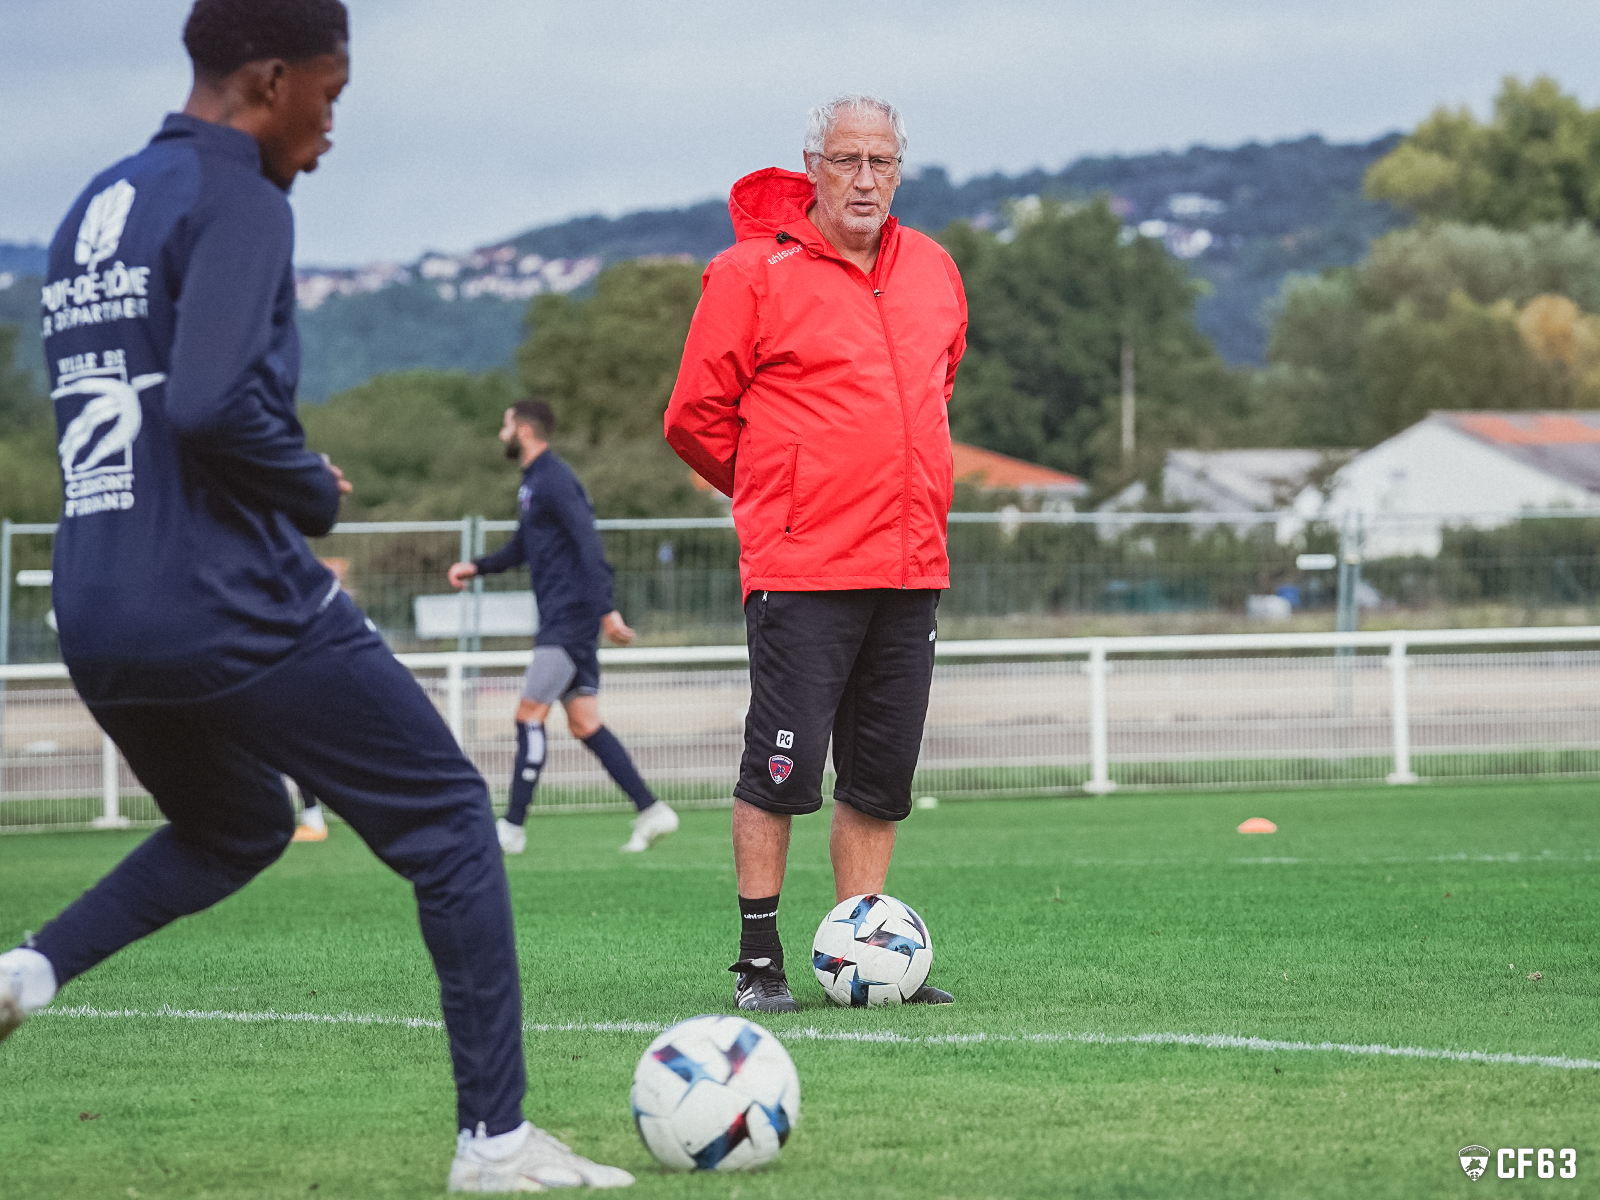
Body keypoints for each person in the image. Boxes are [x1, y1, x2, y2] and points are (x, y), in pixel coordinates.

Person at [0, 3, 631, 1191]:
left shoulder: (94, 205)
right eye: (329, 102)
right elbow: (204, 407)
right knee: (450, 821)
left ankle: (24, 975)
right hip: (222, 591)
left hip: (95, 601)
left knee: (236, 825)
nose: (330, 135)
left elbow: (143, 405)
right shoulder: (239, 197)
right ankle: (494, 1142)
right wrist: (310, 486)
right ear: (272, 79)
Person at [664, 94, 968, 1013]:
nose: (865, 179)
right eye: (846, 161)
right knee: (783, 773)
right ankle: (760, 967)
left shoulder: (936, 271)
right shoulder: (749, 272)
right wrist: (779, 495)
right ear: (813, 167)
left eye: (881, 162)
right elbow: (694, 418)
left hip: (911, 565)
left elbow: (936, 386)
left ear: (899, 171)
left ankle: (862, 954)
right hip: (804, 568)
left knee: (879, 779)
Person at [448, 400, 678, 855]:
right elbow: (522, 547)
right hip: (566, 618)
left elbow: (588, 544)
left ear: (525, 430)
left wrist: (605, 610)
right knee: (584, 723)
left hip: (569, 619)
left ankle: (511, 828)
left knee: (527, 715)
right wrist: (477, 567)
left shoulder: (554, 479)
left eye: (506, 424)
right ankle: (652, 811)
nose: (501, 434)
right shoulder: (533, 482)